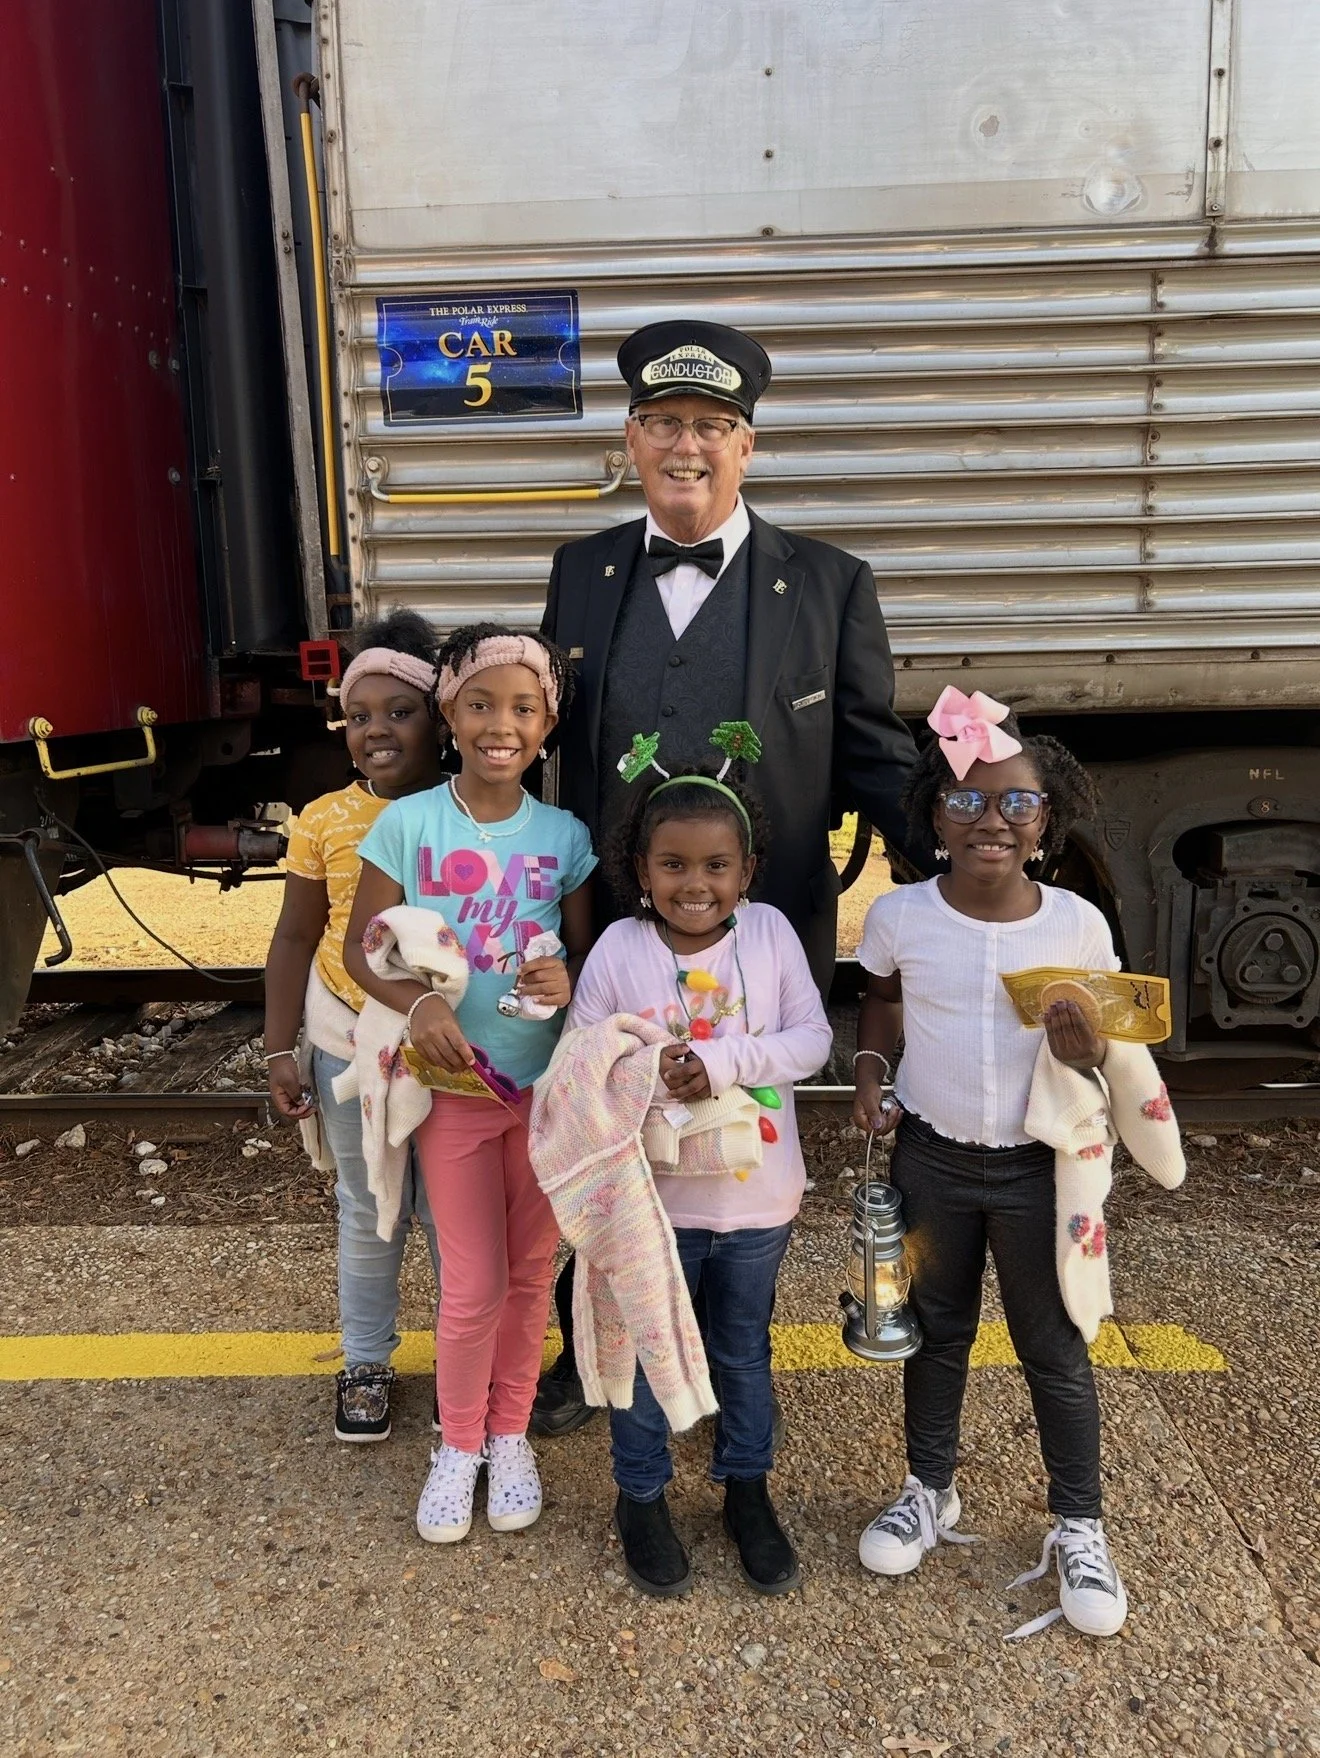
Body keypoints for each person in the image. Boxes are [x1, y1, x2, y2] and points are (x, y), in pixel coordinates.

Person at [536, 317, 918, 1433]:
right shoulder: (580, 573)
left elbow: (869, 745)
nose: (686, 447)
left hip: (761, 939)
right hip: (615, 933)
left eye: (711, 426)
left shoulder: (832, 584)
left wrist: (951, 849)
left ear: (747, 445)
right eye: (665, 425)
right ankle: (588, 1350)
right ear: (632, 438)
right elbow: (542, 746)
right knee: (607, 1130)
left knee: (732, 1152)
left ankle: (730, 1347)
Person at [850, 685, 1129, 1638]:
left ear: (1048, 819)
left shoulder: (1078, 926)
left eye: (1018, 803)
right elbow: (881, 1003)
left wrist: (1086, 1048)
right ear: (935, 812)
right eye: (967, 800)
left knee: (1054, 1346)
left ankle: (1078, 1524)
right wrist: (869, 1070)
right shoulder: (899, 917)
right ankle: (930, 1489)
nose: (993, 822)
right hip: (929, 1160)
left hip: (1036, 1171)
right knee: (935, 1332)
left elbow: (1110, 1052)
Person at [343, 625, 595, 1545]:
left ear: (547, 723)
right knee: (472, 1284)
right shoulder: (407, 824)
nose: (502, 724)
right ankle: (457, 1446)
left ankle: (509, 1433)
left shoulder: (565, 836)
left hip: (539, 1094)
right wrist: (416, 1008)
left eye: (524, 708)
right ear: (448, 713)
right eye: (482, 704)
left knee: (531, 1276)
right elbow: (360, 949)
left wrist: (564, 980)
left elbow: (585, 959)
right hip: (455, 1098)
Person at [563, 762, 831, 1597]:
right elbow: (581, 1056)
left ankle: (746, 1487)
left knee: (741, 1351)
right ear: (639, 870)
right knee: (648, 1352)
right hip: (654, 1203)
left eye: (717, 866)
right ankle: (640, 1495)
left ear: (746, 871)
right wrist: (643, 1067)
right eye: (672, 865)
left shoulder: (773, 934)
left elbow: (811, 1040)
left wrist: (719, 1060)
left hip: (758, 1201)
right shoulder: (618, 948)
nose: (695, 885)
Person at [263, 609, 445, 1443]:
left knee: (453, 1216)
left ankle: (464, 1355)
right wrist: (277, 1047)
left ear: (440, 717)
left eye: (400, 712)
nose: (377, 730)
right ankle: (365, 1359)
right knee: (370, 1209)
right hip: (347, 1044)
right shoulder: (324, 819)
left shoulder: (464, 809)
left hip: (448, 1046)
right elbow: (297, 935)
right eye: (359, 715)